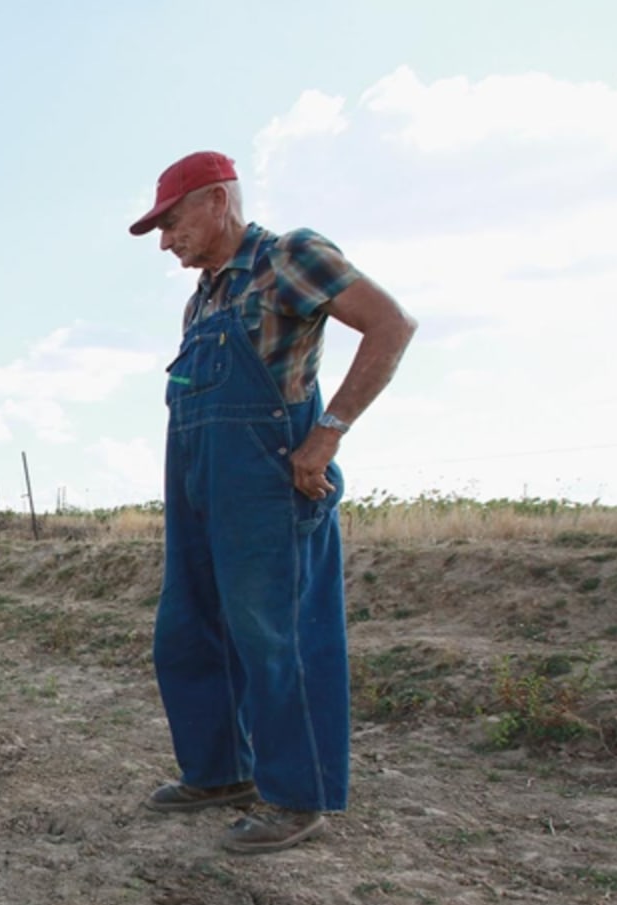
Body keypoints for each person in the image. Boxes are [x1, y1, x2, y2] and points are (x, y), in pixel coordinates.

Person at [129, 151, 416, 853]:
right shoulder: (203, 297)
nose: (166, 241)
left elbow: (391, 325)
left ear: (217, 200)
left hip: (267, 478)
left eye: (170, 223)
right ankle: (219, 770)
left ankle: (296, 795)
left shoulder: (289, 256)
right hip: (199, 477)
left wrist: (326, 437)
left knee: (275, 632)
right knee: (188, 626)